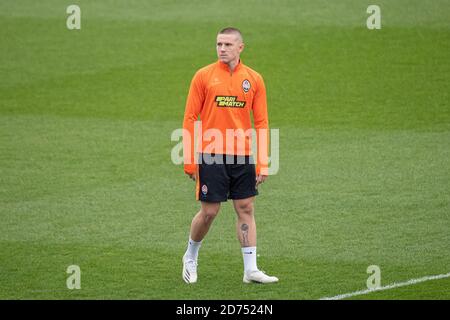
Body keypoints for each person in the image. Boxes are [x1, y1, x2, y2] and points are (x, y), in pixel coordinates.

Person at [181, 27, 278, 284]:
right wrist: (190, 160)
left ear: (240, 47)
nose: (222, 49)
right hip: (211, 155)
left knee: (245, 208)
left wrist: (263, 162)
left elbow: (262, 122)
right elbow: (190, 118)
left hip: (242, 155)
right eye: (218, 44)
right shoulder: (204, 76)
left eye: (227, 44)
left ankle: (250, 270)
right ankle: (190, 256)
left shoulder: (254, 79)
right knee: (210, 212)